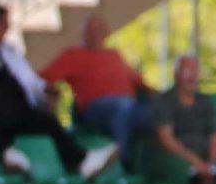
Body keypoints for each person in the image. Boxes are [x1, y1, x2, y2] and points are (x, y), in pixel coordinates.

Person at [0, 4, 115, 179]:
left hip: (10, 111)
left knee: (46, 122)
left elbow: (28, 80)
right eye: (4, 24)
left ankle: (82, 161)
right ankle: (5, 151)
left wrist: (45, 88)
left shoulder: (8, 51)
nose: (7, 29)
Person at [36, 15, 144, 154]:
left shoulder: (115, 55)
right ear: (82, 34)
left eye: (99, 30)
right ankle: (125, 160)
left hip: (129, 104)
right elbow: (44, 78)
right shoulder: (73, 55)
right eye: (90, 30)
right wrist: (52, 91)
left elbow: (138, 81)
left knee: (159, 112)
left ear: (107, 33)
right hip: (95, 109)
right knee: (123, 107)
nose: (95, 34)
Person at [134, 56, 216, 184]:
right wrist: (196, 162)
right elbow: (167, 139)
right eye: (187, 71)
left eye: (196, 71)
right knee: (179, 168)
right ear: (176, 75)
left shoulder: (205, 102)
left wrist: (212, 164)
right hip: (175, 157)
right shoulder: (163, 101)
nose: (192, 76)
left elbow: (215, 135)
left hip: (203, 155)